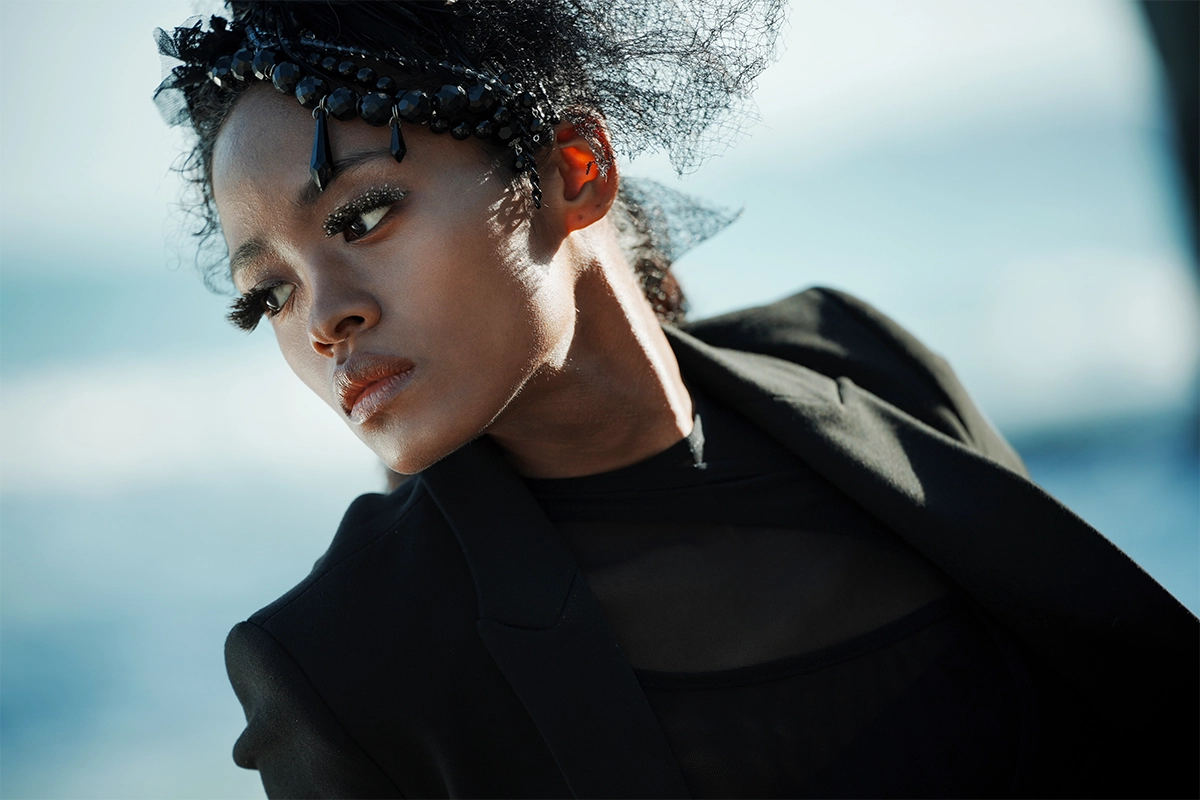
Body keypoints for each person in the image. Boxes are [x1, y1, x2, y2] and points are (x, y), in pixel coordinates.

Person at [154, 1, 1200, 797]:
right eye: (268, 294)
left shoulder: (865, 361)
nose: (321, 317)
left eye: (363, 214)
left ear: (574, 168)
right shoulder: (348, 663)